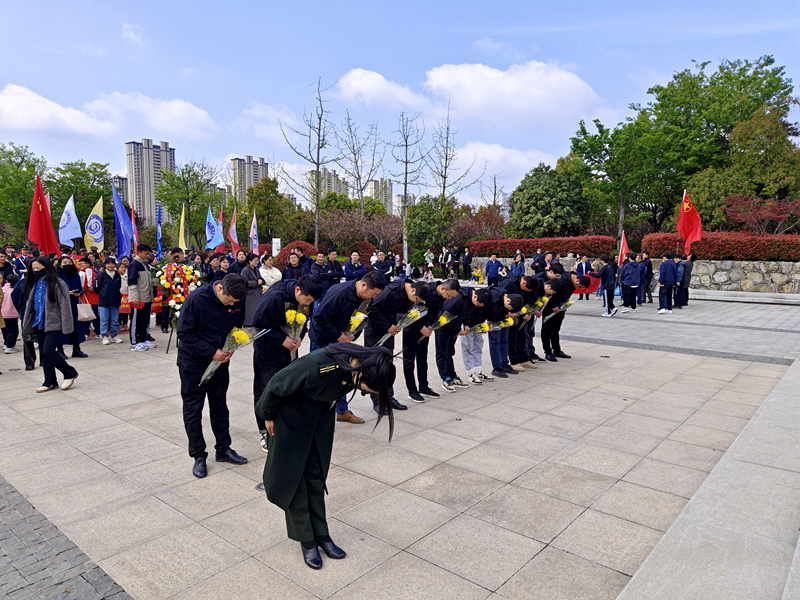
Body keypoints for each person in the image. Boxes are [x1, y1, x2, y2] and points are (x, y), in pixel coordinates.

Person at [257, 343, 396, 569]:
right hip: (291, 415)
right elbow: (277, 384)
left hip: (320, 416)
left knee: (316, 474)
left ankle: (321, 534)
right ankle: (306, 539)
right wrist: (268, 415)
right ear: (359, 372)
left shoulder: (361, 364)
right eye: (366, 388)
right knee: (295, 477)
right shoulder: (320, 365)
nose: (365, 392)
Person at [177, 274, 249, 478]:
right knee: (193, 409)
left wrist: (233, 344)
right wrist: (211, 351)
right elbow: (184, 333)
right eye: (229, 300)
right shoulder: (196, 300)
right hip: (193, 362)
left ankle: (223, 449)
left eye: (235, 302)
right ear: (220, 289)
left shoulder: (236, 299)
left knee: (219, 406)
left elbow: (237, 326)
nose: (232, 304)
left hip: (220, 362)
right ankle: (198, 455)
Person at [252, 276, 323, 453]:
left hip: (290, 348)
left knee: (290, 387)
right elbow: (258, 325)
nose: (308, 303)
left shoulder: (307, 298)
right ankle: (264, 431)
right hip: (268, 350)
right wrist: (281, 339)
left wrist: (299, 338)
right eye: (307, 300)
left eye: (311, 301)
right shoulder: (274, 296)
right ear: (298, 290)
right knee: (265, 389)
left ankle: (285, 425)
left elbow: (305, 321)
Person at [307, 271, 387, 424]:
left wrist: (352, 337)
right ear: (364, 285)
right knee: (320, 376)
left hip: (342, 341)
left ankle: (342, 411)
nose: (373, 297)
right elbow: (319, 319)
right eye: (373, 293)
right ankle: (315, 413)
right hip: (322, 339)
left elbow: (361, 319)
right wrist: (338, 336)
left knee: (343, 373)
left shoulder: (365, 298)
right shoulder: (339, 293)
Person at [363, 279, 427, 413]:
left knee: (387, 365)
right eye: (417, 299)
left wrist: (397, 325)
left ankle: (388, 398)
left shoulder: (410, 294)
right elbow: (373, 310)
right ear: (413, 290)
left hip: (389, 333)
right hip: (375, 332)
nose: (415, 302)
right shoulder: (391, 291)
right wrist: (388, 326)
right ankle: (378, 402)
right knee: (375, 367)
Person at [21, 257, 79, 392]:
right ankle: (50, 381)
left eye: (38, 268)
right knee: (44, 353)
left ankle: (69, 372)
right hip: (38, 322)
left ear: (46, 267)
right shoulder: (34, 283)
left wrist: (67, 326)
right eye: (33, 269)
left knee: (49, 350)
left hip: (54, 323)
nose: (36, 271)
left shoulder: (58, 283)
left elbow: (65, 306)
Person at [402, 279, 460, 402]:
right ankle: (412, 391)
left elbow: (435, 313)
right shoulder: (426, 291)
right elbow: (411, 311)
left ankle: (424, 387)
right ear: (443, 288)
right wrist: (420, 327)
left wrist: (430, 325)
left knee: (423, 359)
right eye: (449, 295)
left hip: (425, 330)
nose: (449, 299)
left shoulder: (441, 297)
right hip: (412, 329)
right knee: (409, 361)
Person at [438, 287, 491, 392]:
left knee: (450, 352)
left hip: (454, 327)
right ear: (475, 296)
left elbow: (467, 313)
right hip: (443, 326)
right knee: (442, 353)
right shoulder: (458, 299)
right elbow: (445, 316)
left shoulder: (472, 298)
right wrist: (458, 329)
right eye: (477, 304)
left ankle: (453, 376)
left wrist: (466, 324)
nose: (476, 306)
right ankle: (445, 378)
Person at [499, 274, 541, 371]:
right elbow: (499, 299)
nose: (525, 291)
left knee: (522, 335)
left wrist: (526, 312)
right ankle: (514, 361)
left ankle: (523, 359)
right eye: (525, 289)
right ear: (523, 283)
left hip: (519, 313)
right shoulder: (509, 283)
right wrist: (507, 312)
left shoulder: (527, 284)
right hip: (508, 314)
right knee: (512, 337)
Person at [487, 288, 525, 377]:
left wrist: (507, 313)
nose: (510, 309)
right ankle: (497, 367)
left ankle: (504, 364)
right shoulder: (495, 297)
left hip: (503, 319)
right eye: (510, 308)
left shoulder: (505, 294)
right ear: (508, 301)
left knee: (504, 340)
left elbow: (503, 306)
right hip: (494, 320)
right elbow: (489, 310)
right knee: (495, 343)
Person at [56, 256, 87, 359]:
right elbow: (54, 290)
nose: (67, 264)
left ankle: (76, 349)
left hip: (74, 303)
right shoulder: (57, 276)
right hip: (62, 305)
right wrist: (67, 293)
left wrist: (79, 292)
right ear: (60, 264)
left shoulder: (76, 275)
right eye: (65, 262)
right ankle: (60, 350)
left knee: (76, 327)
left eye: (69, 262)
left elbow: (80, 288)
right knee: (62, 327)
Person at [128, 244, 156, 351]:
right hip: (138, 299)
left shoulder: (147, 265)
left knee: (145, 320)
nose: (148, 256)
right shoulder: (134, 265)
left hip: (147, 297)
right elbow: (132, 282)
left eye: (149, 254)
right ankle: (135, 342)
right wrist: (135, 297)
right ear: (138, 253)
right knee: (136, 321)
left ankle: (143, 339)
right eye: (146, 253)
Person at [94, 257, 123, 344]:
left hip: (115, 300)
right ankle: (104, 336)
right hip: (104, 301)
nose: (110, 265)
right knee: (104, 321)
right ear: (105, 265)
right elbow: (96, 287)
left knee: (115, 320)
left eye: (112, 263)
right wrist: (103, 294)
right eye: (108, 264)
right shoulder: (100, 275)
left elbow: (119, 286)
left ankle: (114, 335)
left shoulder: (117, 274)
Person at [78, 257, 101, 339]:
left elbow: (99, 285)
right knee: (85, 317)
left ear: (88, 264)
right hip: (84, 299)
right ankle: (85, 333)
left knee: (96, 317)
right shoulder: (79, 274)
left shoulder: (95, 273)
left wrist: (94, 288)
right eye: (79, 264)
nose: (80, 265)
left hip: (94, 298)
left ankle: (98, 332)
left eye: (82, 263)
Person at [241, 253, 265, 326]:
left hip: (257, 293)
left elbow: (261, 279)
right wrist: (256, 282)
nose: (256, 262)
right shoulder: (245, 270)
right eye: (255, 261)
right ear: (250, 261)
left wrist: (262, 281)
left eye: (257, 261)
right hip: (250, 295)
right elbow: (244, 282)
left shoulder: (257, 270)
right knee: (250, 313)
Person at [2, 274, 20, 353]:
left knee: (5, 330)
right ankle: (10, 346)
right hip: (12, 314)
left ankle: (6, 343)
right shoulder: (15, 290)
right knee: (13, 331)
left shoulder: (2, 289)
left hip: (2, 313)